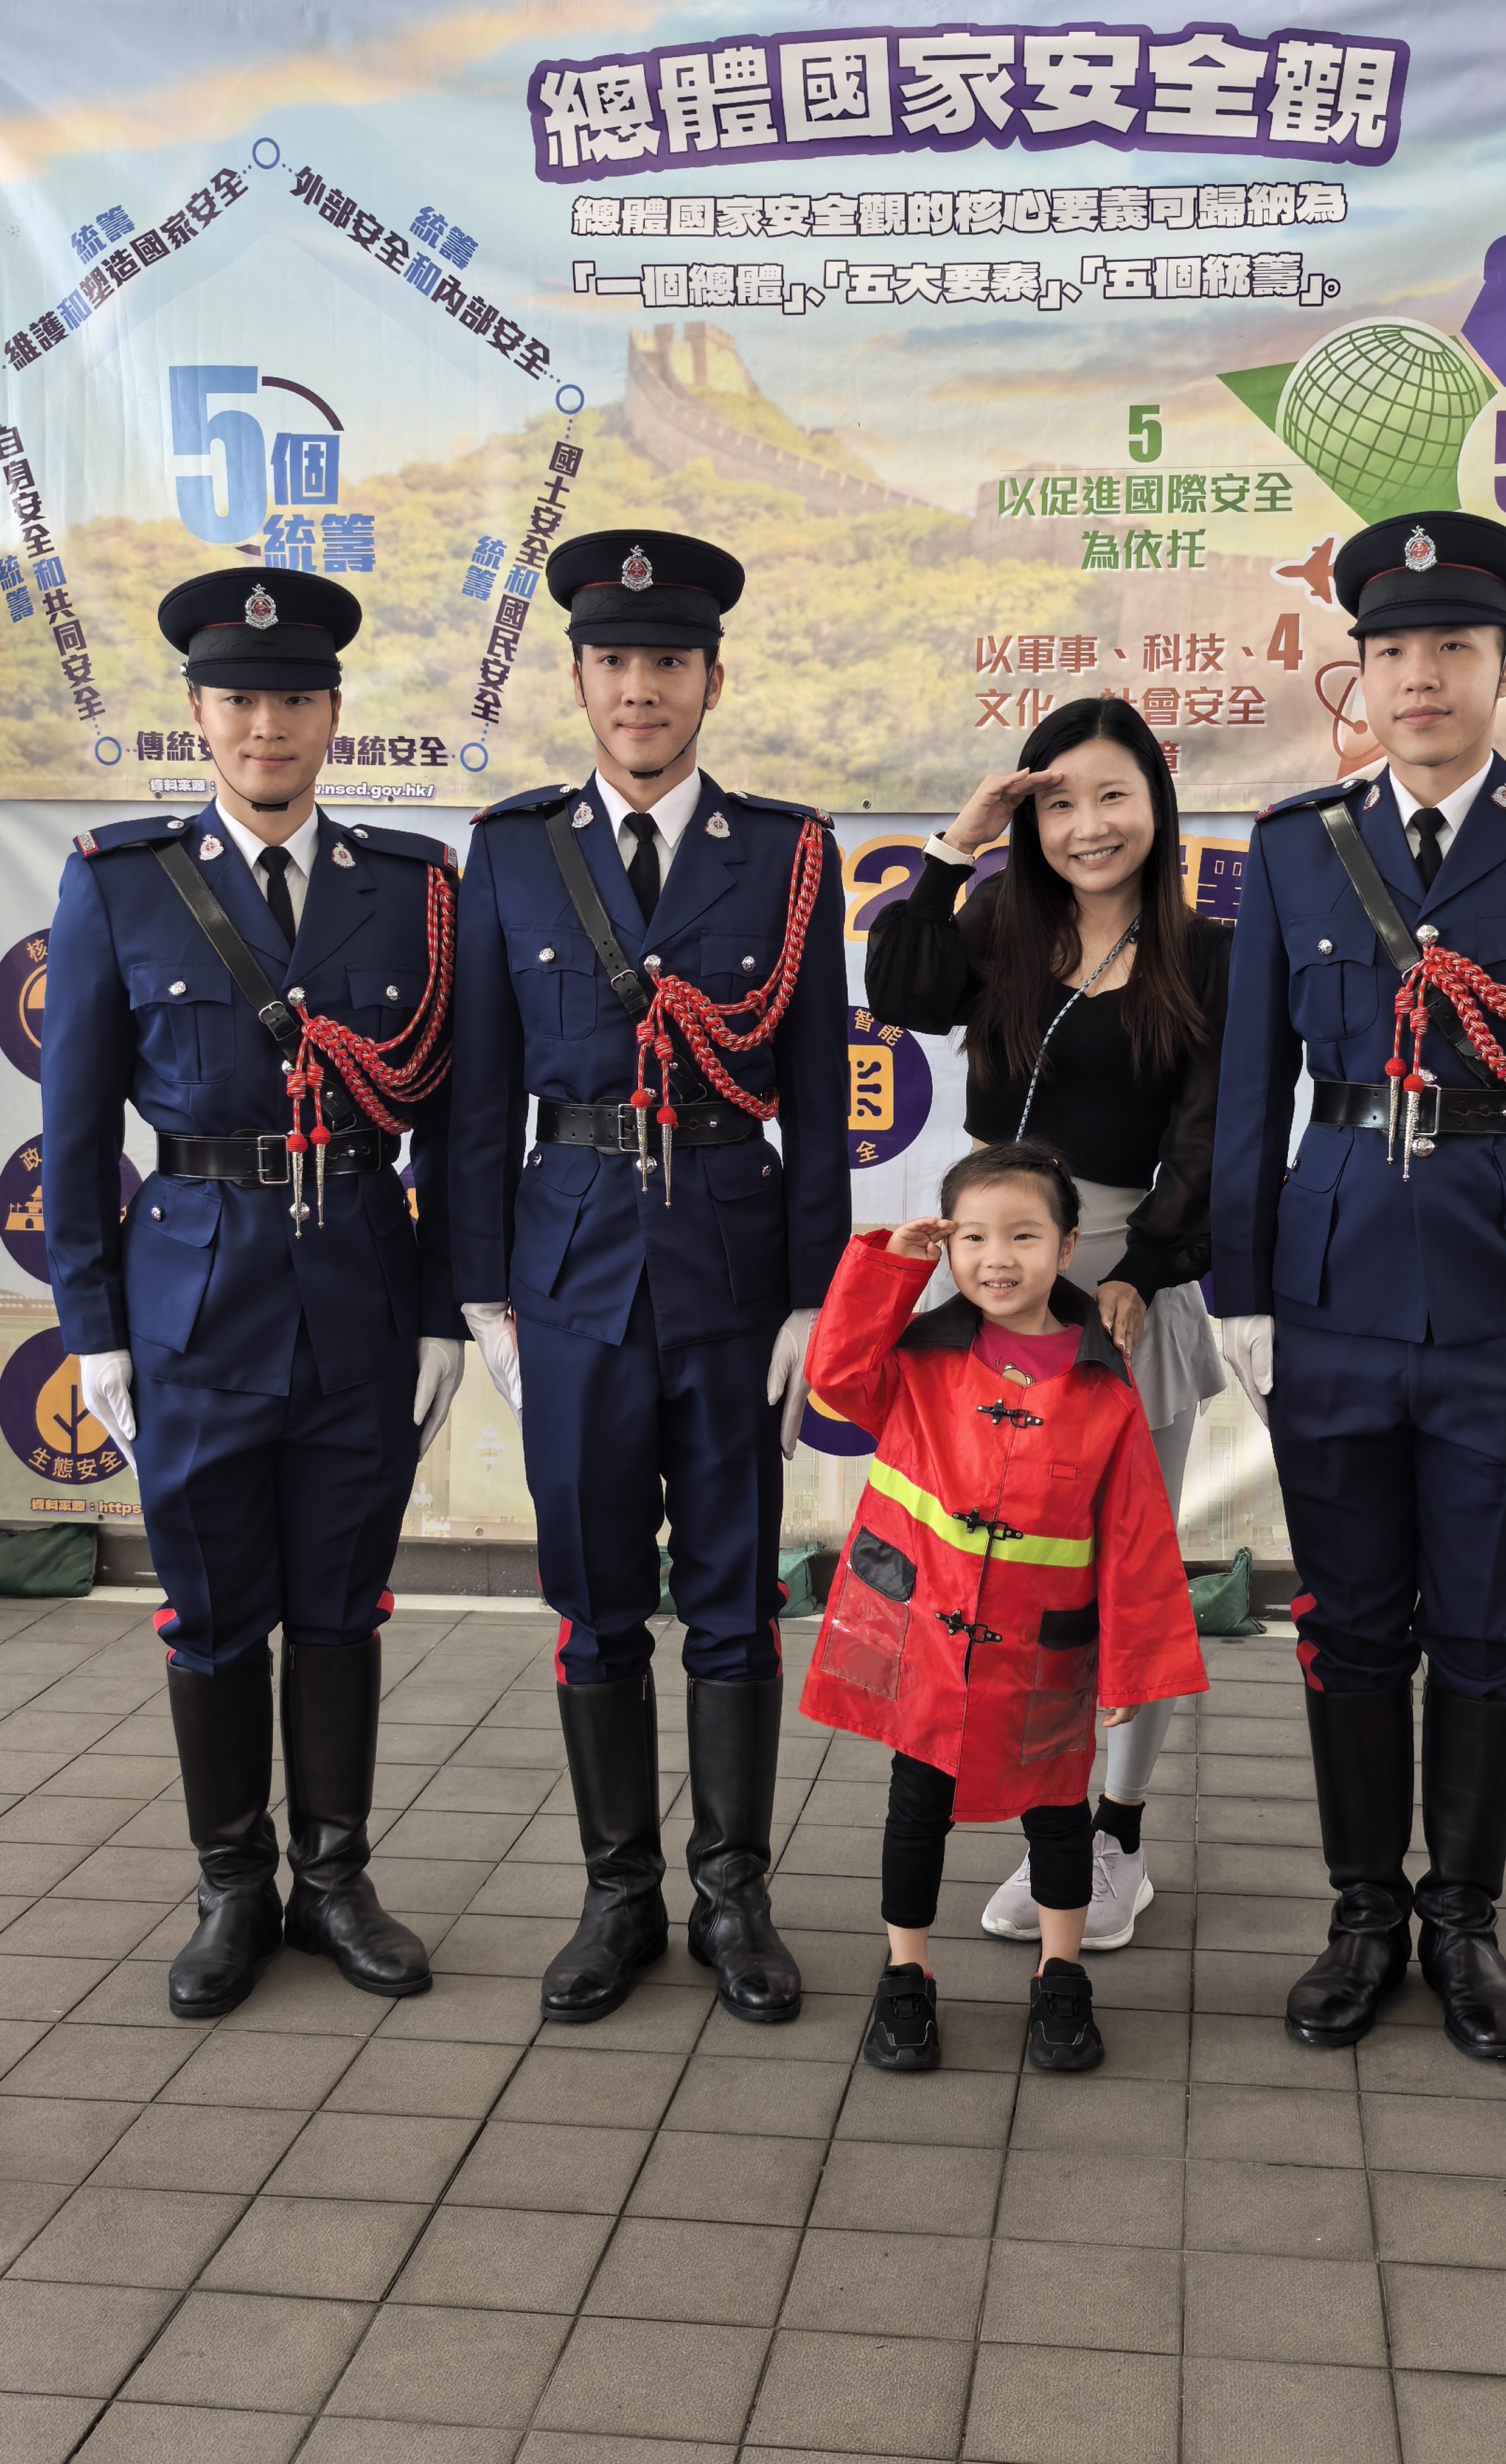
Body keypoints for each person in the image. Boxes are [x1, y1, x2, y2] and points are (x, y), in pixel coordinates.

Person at [1211, 511, 1506, 2061]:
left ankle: (1463, 1919)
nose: (1420, 675)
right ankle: (1362, 1914)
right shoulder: (1294, 847)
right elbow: (1252, 1085)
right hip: (1330, 1287)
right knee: (1349, 1619)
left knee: (1479, 1619)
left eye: (1452, 647)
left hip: (1505, 1291)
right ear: (1361, 672)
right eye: (1392, 649)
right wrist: (1242, 1282)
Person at [41, 567, 464, 2018]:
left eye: (293, 698)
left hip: (360, 1290)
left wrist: (444, 1307)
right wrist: (94, 1326)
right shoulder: (121, 881)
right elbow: (76, 1129)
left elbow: (453, 1126)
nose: (265, 724)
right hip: (191, 1301)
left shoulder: (414, 891)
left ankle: (335, 1880)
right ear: (197, 712)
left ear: (334, 714)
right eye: (238, 698)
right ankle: (233, 1884)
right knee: (215, 1607)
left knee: (339, 1602)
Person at [450, 529, 850, 2029]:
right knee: (595, 1595)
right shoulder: (514, 851)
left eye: (668, 662)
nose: (640, 688)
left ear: (711, 681)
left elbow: (823, 1094)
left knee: (734, 1594)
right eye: (614, 661)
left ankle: (734, 1896)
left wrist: (813, 1290)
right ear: (578, 679)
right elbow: (478, 1089)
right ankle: (618, 1895)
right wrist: (480, 1291)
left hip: (734, 1267)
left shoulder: (789, 854)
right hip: (569, 1272)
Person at [865, 695, 1227, 1950]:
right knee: (984, 1560)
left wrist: (1151, 1268)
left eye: (1112, 796)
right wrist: (953, 847)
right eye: (1058, 801)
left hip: (1123, 1269)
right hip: (986, 1270)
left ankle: (1116, 1837)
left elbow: (1208, 1135)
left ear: (1156, 806)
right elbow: (901, 992)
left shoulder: (1208, 952)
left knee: (1125, 1572)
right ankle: (1022, 1807)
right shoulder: (1000, 923)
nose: (1087, 826)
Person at [800, 1139, 1206, 2073]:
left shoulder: (1105, 1388)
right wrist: (889, 1269)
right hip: (925, 1646)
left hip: (1043, 1655)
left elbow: (1138, 1542)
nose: (997, 1258)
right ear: (948, 1248)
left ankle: (1061, 1977)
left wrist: (1128, 1672)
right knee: (915, 1809)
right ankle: (906, 1974)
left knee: (1060, 1817)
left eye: (1024, 1236)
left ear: (1067, 1247)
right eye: (973, 1237)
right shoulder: (918, 1360)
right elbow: (836, 1375)